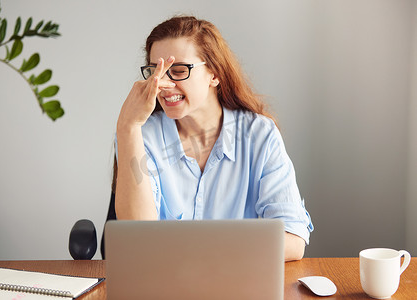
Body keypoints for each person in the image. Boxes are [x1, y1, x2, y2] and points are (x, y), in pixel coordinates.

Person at [113, 15, 313, 261]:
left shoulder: (258, 135)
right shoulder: (142, 135)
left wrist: (205, 253)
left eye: (177, 70)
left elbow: (293, 239)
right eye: (155, 71)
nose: (162, 84)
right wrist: (127, 126)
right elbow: (137, 237)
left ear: (214, 74)